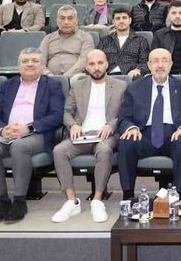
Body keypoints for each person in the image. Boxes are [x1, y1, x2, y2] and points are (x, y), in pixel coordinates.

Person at [0, 48, 65, 224]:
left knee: (19, 146)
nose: (30, 64)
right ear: (18, 66)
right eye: (25, 61)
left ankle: (19, 201)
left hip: (36, 134)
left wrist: (29, 127)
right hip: (7, 134)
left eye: (35, 61)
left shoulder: (52, 85)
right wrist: (1, 130)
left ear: (43, 65)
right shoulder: (7, 85)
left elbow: (57, 116)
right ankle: (2, 200)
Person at [51, 50, 127, 223]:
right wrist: (73, 125)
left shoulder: (120, 85)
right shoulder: (78, 86)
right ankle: (72, 201)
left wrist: (111, 125)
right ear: (86, 67)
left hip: (106, 135)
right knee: (59, 151)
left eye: (100, 63)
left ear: (107, 64)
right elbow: (67, 112)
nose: (96, 67)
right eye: (92, 64)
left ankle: (97, 201)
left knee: (104, 150)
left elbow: (125, 113)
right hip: (82, 134)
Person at [116, 48, 181, 199]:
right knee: (126, 142)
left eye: (164, 61)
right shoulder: (135, 88)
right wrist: (131, 128)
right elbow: (124, 117)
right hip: (143, 135)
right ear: (148, 65)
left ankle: (178, 196)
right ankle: (128, 196)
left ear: (171, 64)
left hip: (173, 134)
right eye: (155, 61)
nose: (160, 65)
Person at [40, 5, 95, 80]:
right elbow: (40, 61)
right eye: (62, 18)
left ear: (77, 20)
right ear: (57, 21)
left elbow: (84, 61)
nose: (66, 22)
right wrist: (49, 75)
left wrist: (64, 78)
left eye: (70, 18)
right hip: (49, 78)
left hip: (75, 78)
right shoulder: (48, 38)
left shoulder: (85, 37)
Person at [97, 6, 149, 79]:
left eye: (124, 18)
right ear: (113, 22)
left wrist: (138, 70)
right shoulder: (105, 40)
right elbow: (97, 58)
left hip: (131, 76)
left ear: (130, 20)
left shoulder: (141, 40)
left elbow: (145, 62)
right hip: (108, 76)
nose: (121, 21)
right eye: (118, 18)